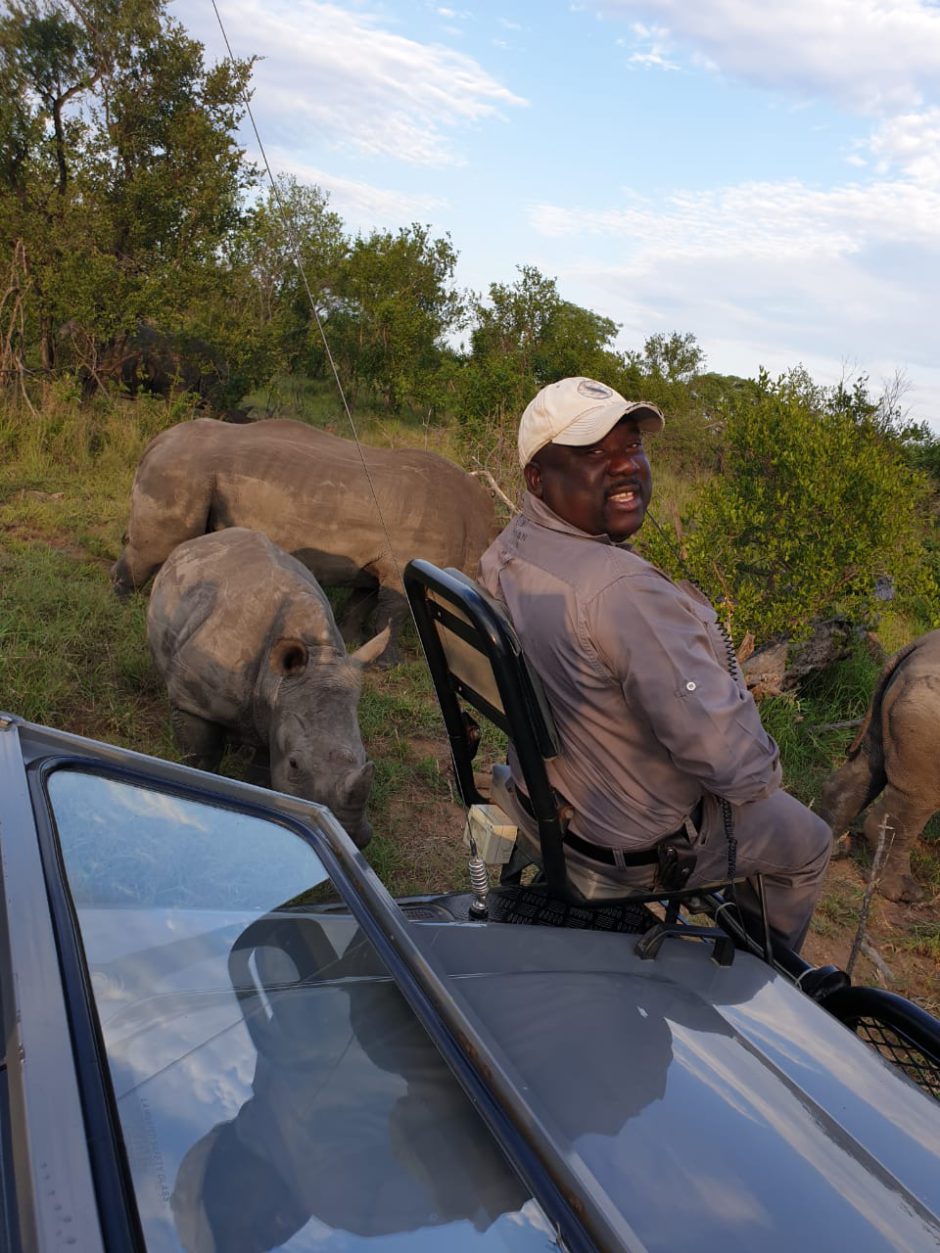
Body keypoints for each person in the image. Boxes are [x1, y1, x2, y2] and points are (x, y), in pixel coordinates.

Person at [478, 376, 831, 952]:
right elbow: (736, 769)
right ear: (537, 477)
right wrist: (766, 765)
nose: (625, 466)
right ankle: (754, 983)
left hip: (547, 796)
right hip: (631, 840)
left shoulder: (510, 549)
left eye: (632, 446)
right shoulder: (621, 592)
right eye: (593, 452)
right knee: (808, 841)